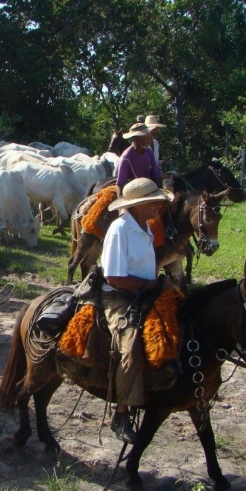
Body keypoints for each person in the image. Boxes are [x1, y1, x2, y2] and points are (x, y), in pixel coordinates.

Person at [100, 177, 174, 443]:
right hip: (119, 297)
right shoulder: (120, 229)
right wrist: (153, 284)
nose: (159, 207)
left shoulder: (147, 228)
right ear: (138, 205)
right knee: (130, 346)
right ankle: (121, 413)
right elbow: (114, 277)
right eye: (154, 202)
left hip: (144, 292)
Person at [114, 122, 163, 194]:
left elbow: (155, 173)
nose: (149, 141)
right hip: (134, 194)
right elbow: (121, 185)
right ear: (136, 140)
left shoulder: (149, 151)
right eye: (146, 138)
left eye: (149, 137)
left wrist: (162, 178)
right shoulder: (125, 158)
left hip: (150, 189)